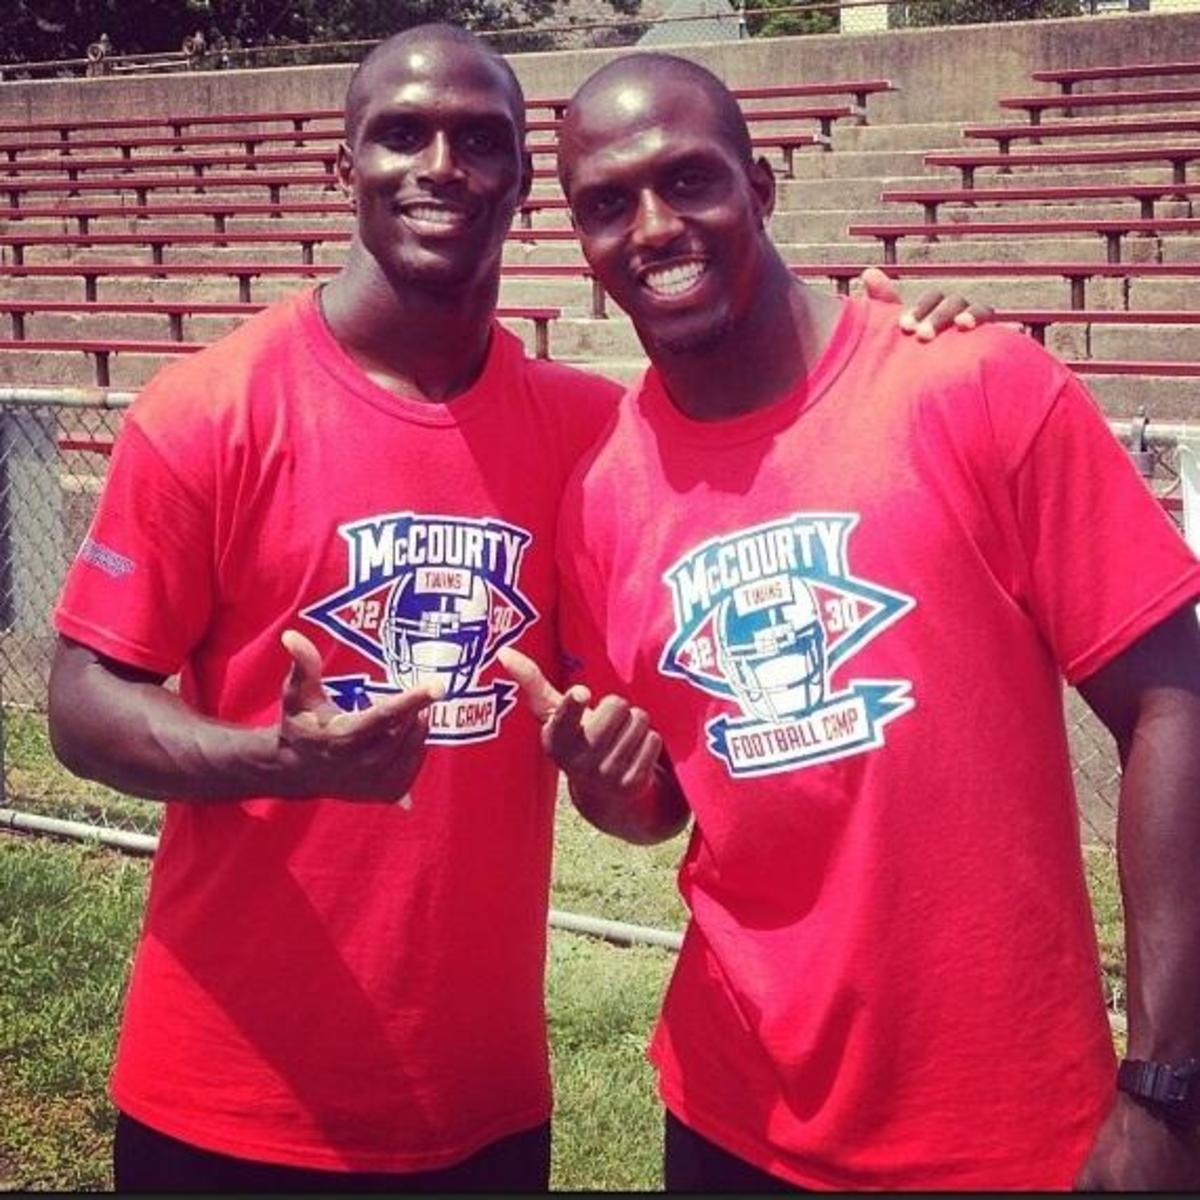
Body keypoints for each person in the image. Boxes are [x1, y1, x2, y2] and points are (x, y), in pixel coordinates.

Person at [46, 24, 986, 1192]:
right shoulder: (208, 413)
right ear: (346, 164)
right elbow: (82, 701)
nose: (440, 164)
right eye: (401, 134)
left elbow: (644, 787)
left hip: (482, 1115)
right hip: (224, 1103)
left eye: (480, 140)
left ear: (524, 186)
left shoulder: (596, 435)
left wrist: (903, 339)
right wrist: (272, 759)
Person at [500, 52, 1200, 1192]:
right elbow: (670, 799)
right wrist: (609, 785)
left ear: (763, 185)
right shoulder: (599, 497)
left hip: (1010, 1124)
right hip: (731, 1120)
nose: (654, 226)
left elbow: (1177, 702)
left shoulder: (971, 382)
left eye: (691, 180)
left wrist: (1168, 1087)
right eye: (607, 204)